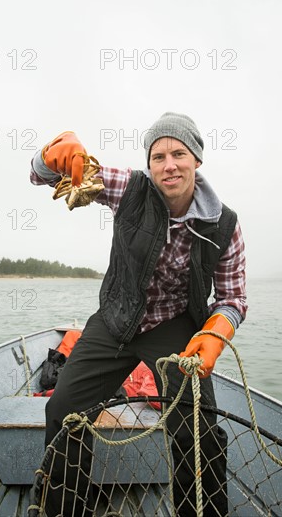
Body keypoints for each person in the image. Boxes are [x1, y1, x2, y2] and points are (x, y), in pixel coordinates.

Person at [30, 112, 247, 516]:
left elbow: (234, 298)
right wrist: (52, 154)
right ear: (149, 165)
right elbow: (39, 176)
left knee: (198, 432)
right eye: (158, 156)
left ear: (196, 160)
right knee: (62, 413)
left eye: (178, 153)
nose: (169, 165)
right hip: (115, 319)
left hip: (175, 327)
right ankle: (65, 508)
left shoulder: (224, 225)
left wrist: (218, 330)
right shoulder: (131, 189)